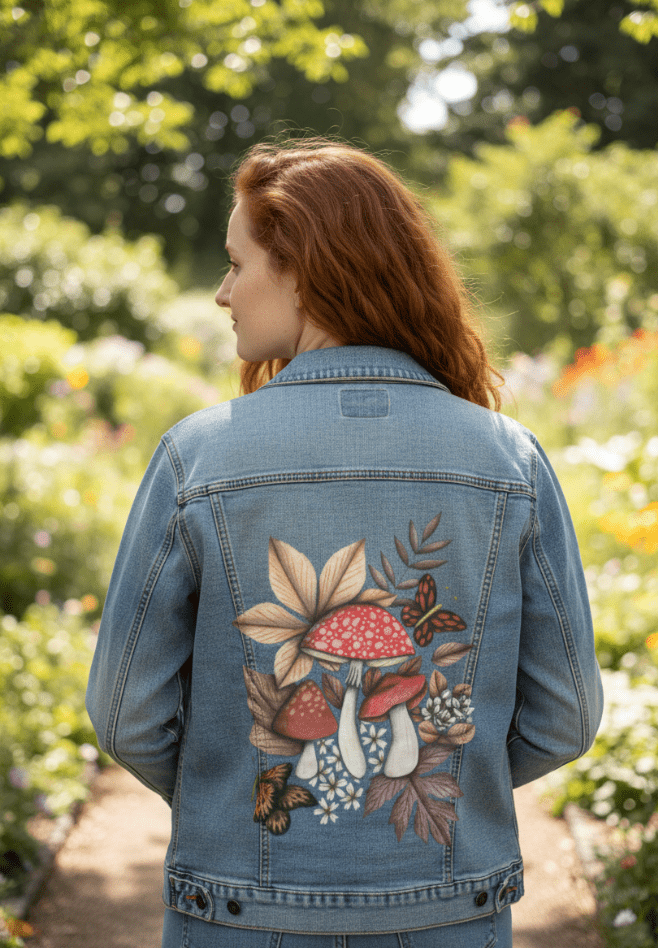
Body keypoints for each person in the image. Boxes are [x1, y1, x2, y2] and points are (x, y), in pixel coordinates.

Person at [86, 139, 603, 948]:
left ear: (301, 268)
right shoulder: (511, 461)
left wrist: (235, 796)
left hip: (238, 915)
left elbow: (126, 715)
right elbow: (566, 715)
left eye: (237, 263)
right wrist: (453, 769)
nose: (223, 293)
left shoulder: (198, 457)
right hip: (450, 913)